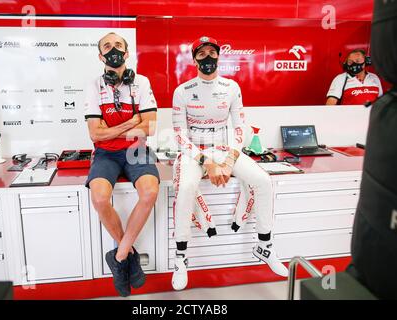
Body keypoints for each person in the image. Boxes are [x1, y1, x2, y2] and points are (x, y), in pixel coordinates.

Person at [171, 36, 288, 291]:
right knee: (185, 187)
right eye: (202, 54)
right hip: (194, 153)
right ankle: (181, 257)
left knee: (263, 181)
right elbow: (180, 136)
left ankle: (264, 245)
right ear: (194, 60)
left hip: (227, 150)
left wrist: (229, 160)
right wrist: (208, 163)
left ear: (219, 56)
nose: (208, 58)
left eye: (212, 52)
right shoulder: (182, 91)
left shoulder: (232, 87)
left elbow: (239, 128)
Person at [84, 32, 159, 297]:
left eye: (118, 45)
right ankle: (129, 256)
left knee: (150, 191)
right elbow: (95, 134)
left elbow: (148, 127)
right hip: (105, 153)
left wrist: (112, 127)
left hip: (136, 149)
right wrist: (130, 122)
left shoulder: (142, 81)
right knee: (100, 199)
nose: (113, 49)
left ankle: (120, 256)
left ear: (127, 54)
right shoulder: (94, 86)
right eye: (107, 46)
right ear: (100, 55)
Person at [347, 0, 397, 299]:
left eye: (360, 57)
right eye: (352, 59)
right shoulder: (340, 80)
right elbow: (330, 106)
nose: (356, 62)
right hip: (374, 268)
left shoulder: (377, 84)